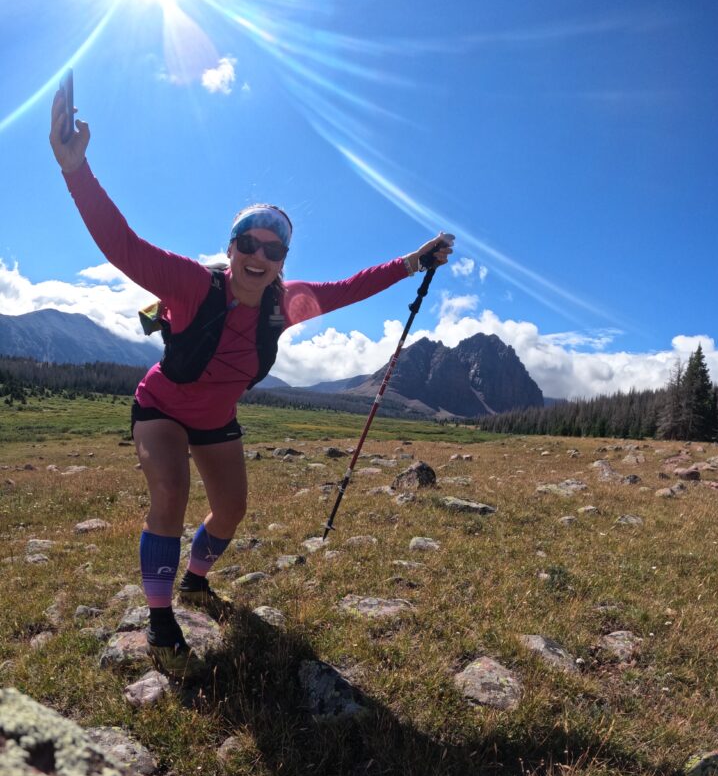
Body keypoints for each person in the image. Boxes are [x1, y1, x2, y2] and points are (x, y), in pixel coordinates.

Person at [49, 90, 453, 677]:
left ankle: (195, 583)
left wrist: (414, 263)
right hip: (161, 405)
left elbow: (352, 286)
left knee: (232, 510)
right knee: (170, 497)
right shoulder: (191, 285)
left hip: (215, 418)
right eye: (248, 243)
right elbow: (122, 245)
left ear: (284, 259)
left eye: (274, 248)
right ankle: (161, 626)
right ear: (231, 248)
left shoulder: (288, 304)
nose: (259, 255)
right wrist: (74, 168)